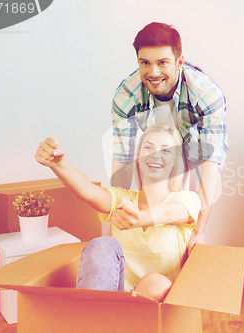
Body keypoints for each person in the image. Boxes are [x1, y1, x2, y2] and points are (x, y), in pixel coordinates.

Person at [35, 123, 201, 301]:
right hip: (112, 307)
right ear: (139, 156)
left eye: (166, 150)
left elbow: (166, 213)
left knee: (155, 283)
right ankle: (93, 319)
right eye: (148, 147)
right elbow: (89, 191)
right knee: (102, 244)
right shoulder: (122, 199)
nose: (155, 154)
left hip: (159, 314)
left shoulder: (188, 199)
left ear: (176, 161)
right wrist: (59, 164)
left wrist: (140, 218)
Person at [110, 22, 227, 252]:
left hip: (195, 156)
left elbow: (210, 163)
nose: (153, 73)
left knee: (187, 231)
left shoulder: (206, 93)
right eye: (145, 63)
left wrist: (200, 230)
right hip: (154, 151)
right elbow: (122, 162)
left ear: (179, 61)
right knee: (148, 221)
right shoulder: (126, 96)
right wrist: (113, 229)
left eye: (162, 63)